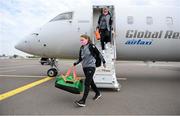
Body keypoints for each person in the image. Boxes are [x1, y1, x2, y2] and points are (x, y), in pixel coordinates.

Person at [73, 34, 106, 107]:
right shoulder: (81, 48)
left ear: (87, 39)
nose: (81, 41)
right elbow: (80, 58)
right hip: (84, 67)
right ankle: (98, 93)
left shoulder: (91, 46)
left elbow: (99, 54)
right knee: (91, 82)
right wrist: (76, 62)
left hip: (91, 66)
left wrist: (104, 61)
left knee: (87, 83)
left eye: (82, 40)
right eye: (80, 40)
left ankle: (83, 101)